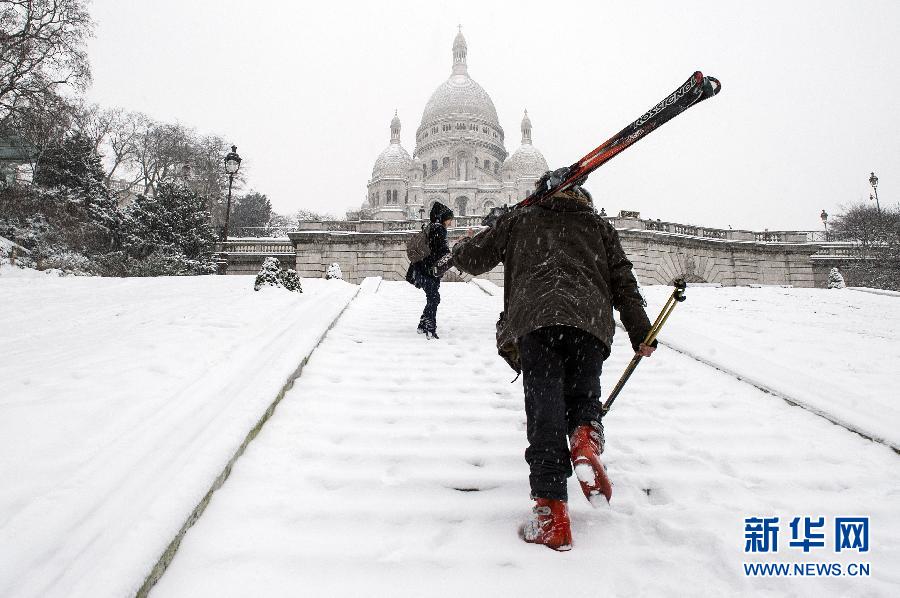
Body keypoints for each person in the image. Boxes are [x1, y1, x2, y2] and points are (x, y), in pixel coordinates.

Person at [452, 176, 656, 551]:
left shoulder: (521, 218)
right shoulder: (598, 226)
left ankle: (552, 515)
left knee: (545, 414)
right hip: (589, 324)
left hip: (538, 322)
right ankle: (584, 438)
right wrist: (640, 332)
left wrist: (462, 244)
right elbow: (625, 282)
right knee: (583, 396)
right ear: (583, 196)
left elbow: (473, 259)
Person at [406, 201, 454, 339]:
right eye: (450, 219)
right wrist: (455, 254)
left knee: (432, 297)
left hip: (422, 268)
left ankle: (423, 324)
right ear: (444, 218)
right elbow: (441, 250)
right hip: (428, 270)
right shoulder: (438, 229)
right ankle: (429, 327)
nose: (450, 222)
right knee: (434, 298)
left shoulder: (431, 227)